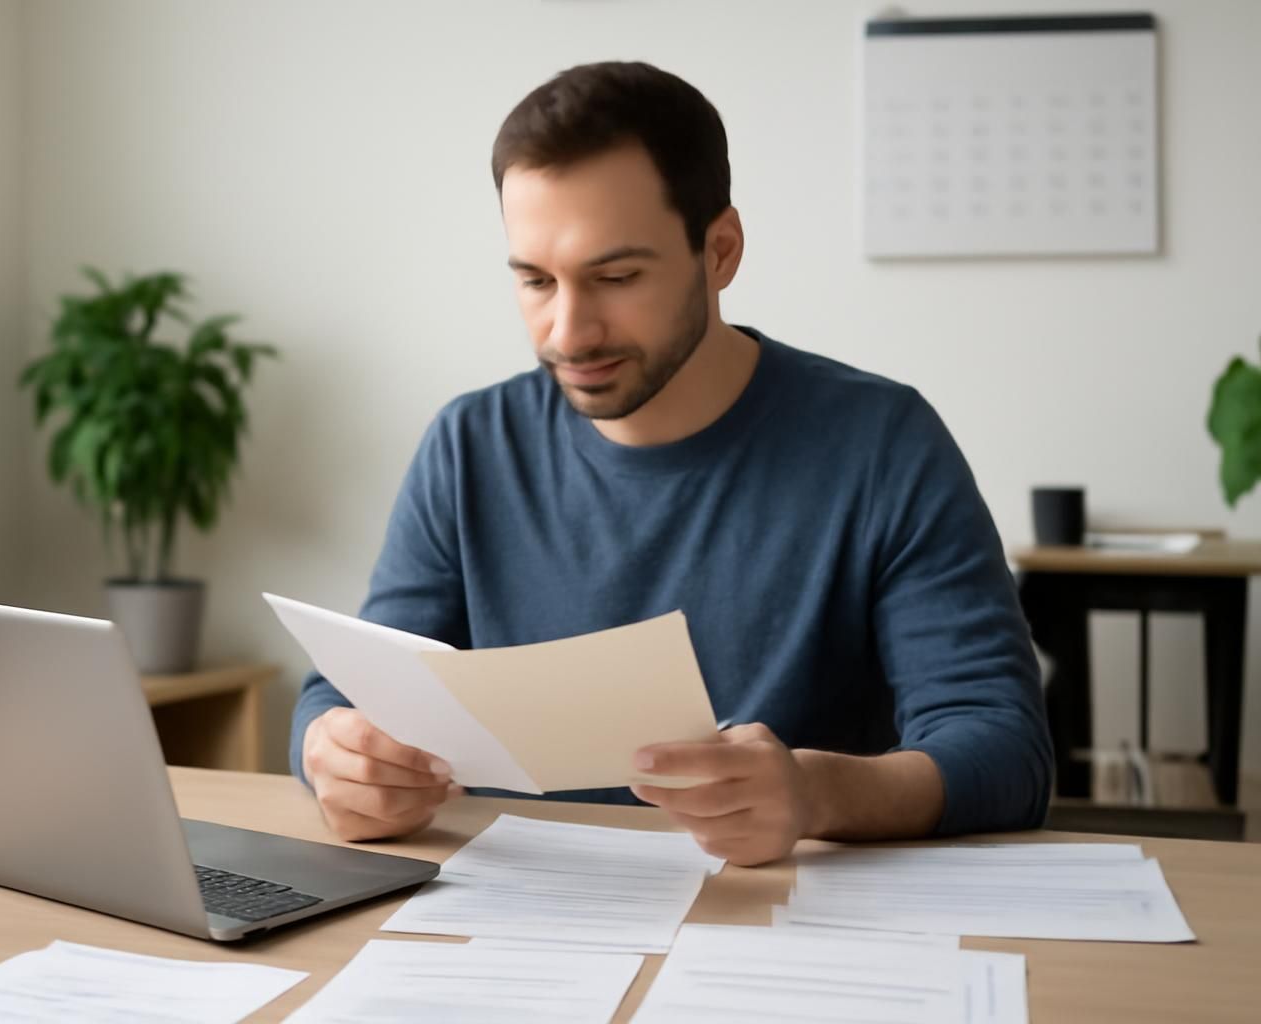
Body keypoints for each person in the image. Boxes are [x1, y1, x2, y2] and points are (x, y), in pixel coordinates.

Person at [289, 61, 1052, 866]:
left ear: (719, 252)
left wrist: (815, 793)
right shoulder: (471, 445)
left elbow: (1003, 749)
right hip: (524, 921)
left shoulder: (881, 443)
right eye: (535, 281)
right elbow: (342, 694)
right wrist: (335, 754)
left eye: (616, 277)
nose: (569, 332)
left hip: (782, 922)